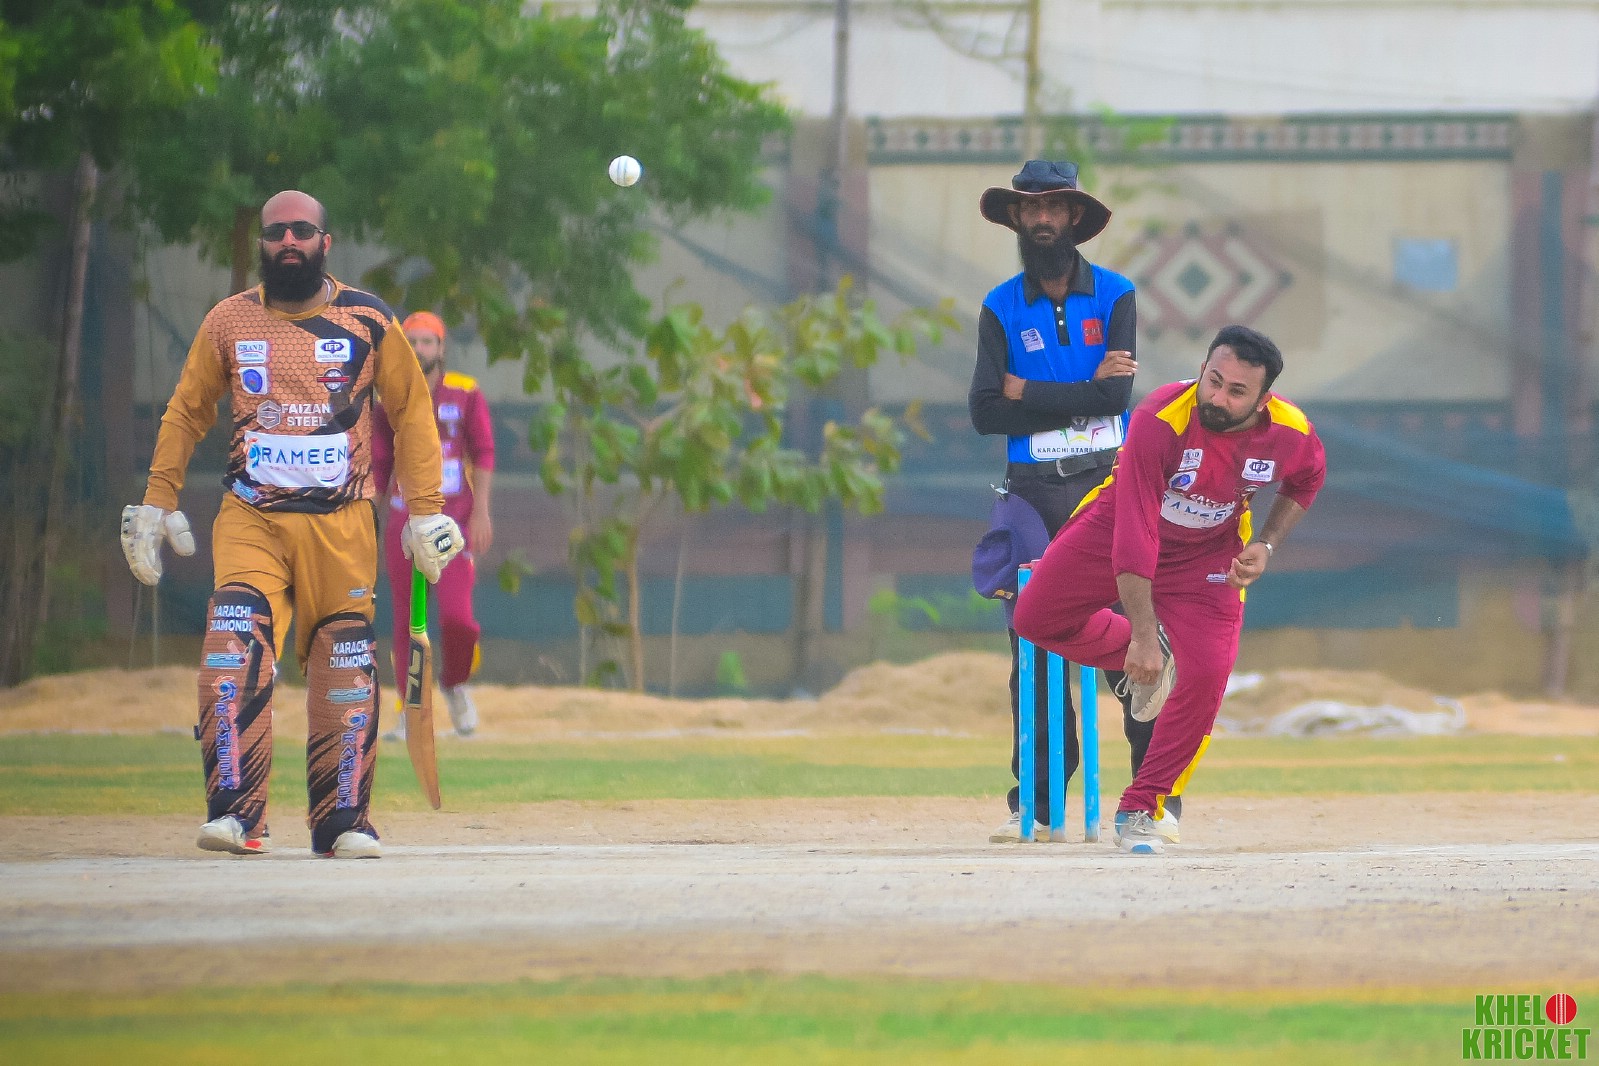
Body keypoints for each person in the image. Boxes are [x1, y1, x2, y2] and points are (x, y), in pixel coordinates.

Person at [119, 190, 463, 860]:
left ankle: (341, 822)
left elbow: (412, 412)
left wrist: (426, 511)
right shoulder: (229, 321)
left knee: (344, 666)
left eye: (301, 231)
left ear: (325, 243)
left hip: (343, 524)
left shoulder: (367, 318)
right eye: (275, 232)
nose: (287, 242)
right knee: (231, 650)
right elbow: (187, 410)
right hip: (253, 519)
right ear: (262, 244)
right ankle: (236, 815)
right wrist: (157, 500)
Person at [1013, 324, 1327, 854]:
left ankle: (1143, 806)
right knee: (1034, 618)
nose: (1218, 398)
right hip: (1117, 526)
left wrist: (1267, 544)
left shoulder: (1290, 431)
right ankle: (1160, 649)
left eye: (1236, 391)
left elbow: (1308, 478)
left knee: (1207, 673)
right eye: (1214, 380)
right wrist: (1140, 637)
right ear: (1202, 370)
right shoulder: (1160, 417)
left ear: (1263, 400)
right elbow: (1136, 532)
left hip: (1210, 552)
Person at [968, 158, 1158, 844]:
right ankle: (1040, 804)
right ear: (1016, 218)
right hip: (1032, 494)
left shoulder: (1115, 295)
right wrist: (1079, 393)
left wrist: (1026, 391)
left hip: (1106, 486)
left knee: (1134, 638)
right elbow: (985, 411)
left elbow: (1115, 398)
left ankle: (1148, 801)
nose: (1041, 219)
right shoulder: (999, 306)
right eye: (1030, 208)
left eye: (1053, 207)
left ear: (1075, 216)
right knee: (1034, 645)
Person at [373, 311, 496, 738]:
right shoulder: (389, 393)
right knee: (409, 622)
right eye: (412, 341)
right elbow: (379, 463)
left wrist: (481, 511)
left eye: (428, 341)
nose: (420, 349)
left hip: (453, 523)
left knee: (460, 620)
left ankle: (455, 683)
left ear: (442, 348)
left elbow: (483, 451)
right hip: (405, 522)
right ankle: (412, 709)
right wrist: (367, 517)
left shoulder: (464, 392)